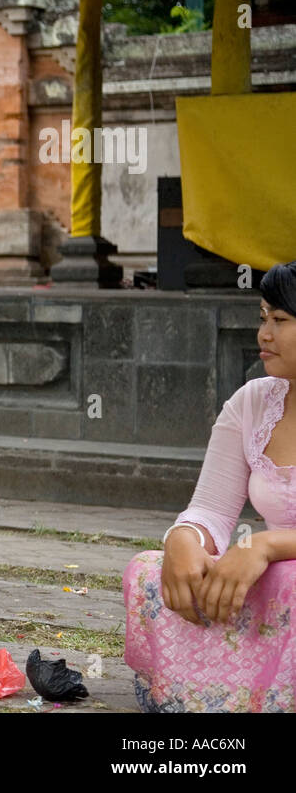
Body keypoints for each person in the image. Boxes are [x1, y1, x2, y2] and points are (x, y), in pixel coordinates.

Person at [123, 260, 296, 712]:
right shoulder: (254, 402)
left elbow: (263, 550)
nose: (264, 334)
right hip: (272, 577)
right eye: (262, 317)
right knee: (147, 570)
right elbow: (212, 511)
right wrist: (185, 539)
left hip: (284, 575)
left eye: (280, 320)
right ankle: (209, 693)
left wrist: (265, 546)